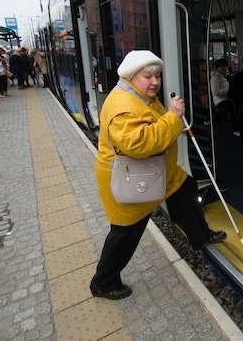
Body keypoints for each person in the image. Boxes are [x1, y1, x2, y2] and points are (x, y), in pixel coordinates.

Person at [91, 50, 226, 300]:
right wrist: (174, 118)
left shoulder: (138, 95)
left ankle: (200, 235)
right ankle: (103, 282)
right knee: (125, 233)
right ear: (132, 76)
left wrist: (170, 121)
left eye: (157, 75)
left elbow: (154, 126)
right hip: (131, 179)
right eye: (147, 76)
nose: (154, 81)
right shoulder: (123, 107)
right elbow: (139, 144)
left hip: (154, 172)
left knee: (185, 188)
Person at [210, 58, 239, 136]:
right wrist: (227, 91)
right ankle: (235, 128)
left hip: (224, 99)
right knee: (232, 105)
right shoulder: (215, 77)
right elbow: (215, 92)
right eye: (222, 67)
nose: (224, 69)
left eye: (225, 67)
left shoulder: (222, 76)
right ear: (218, 68)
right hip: (219, 101)